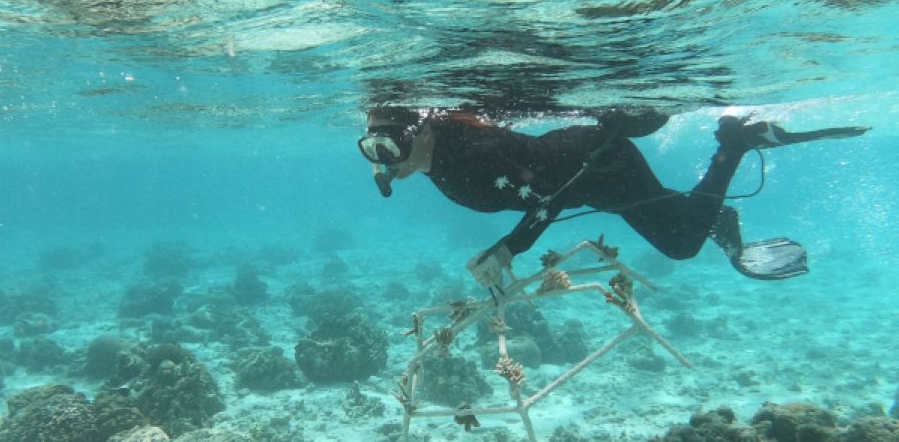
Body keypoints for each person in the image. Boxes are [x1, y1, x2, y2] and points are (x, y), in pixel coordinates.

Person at [357, 107, 869, 290]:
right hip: (584, 173)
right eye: (371, 148)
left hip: (600, 165)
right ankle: (721, 216)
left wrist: (509, 249)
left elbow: (548, 200)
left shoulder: (471, 159)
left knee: (680, 244)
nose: (382, 159)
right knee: (660, 211)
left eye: (389, 144)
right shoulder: (432, 158)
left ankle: (733, 144)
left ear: (421, 130)